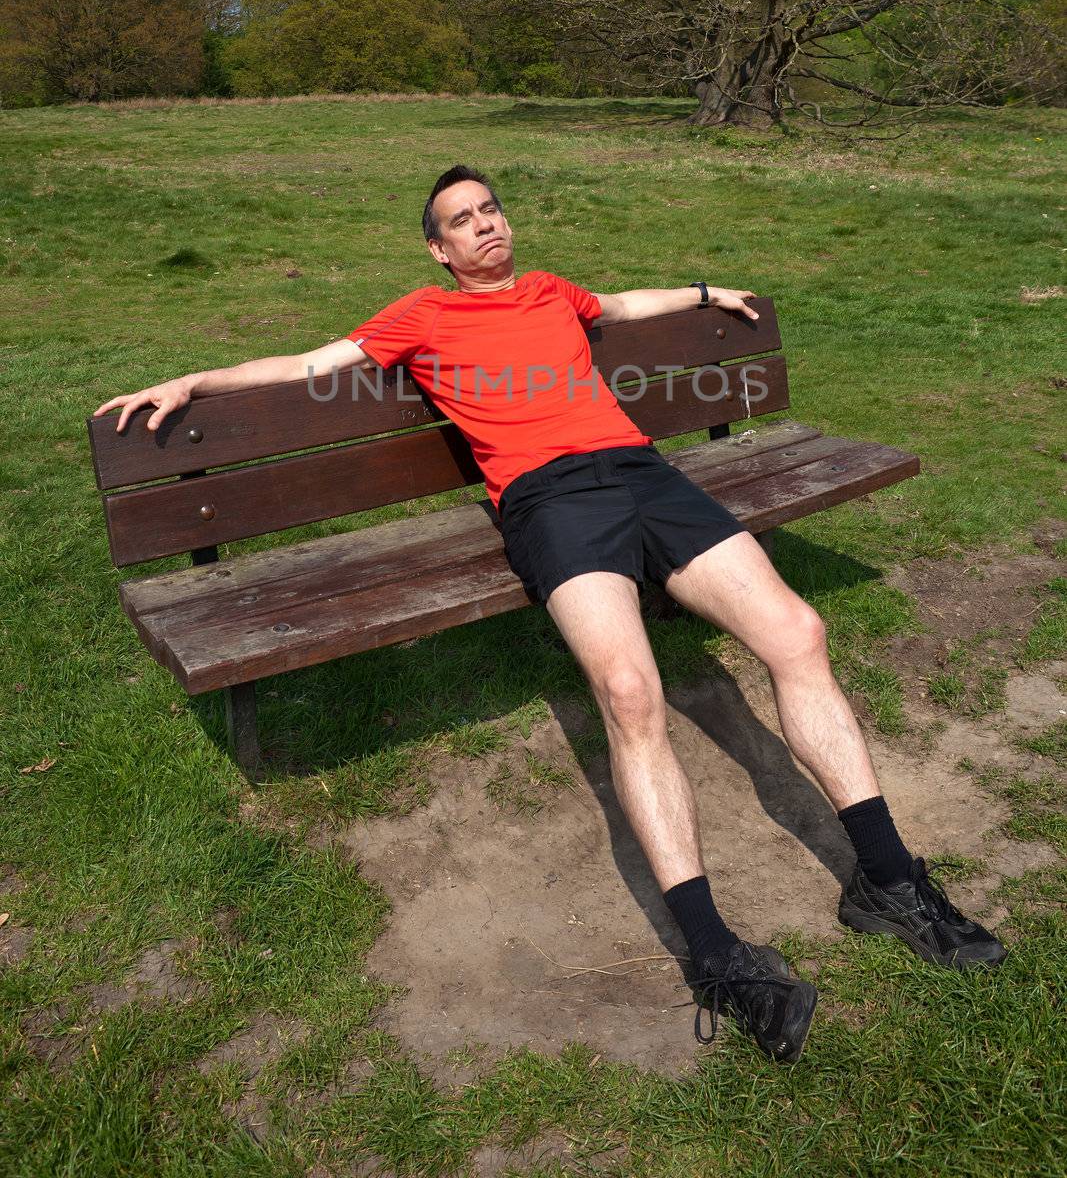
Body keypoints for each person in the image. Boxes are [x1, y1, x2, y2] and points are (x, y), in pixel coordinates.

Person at [94, 163, 1005, 1062]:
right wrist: (196, 381)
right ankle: (716, 956)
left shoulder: (549, 292)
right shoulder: (420, 314)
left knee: (798, 634)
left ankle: (888, 881)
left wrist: (702, 289)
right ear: (438, 248)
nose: (485, 224)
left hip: (644, 474)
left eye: (491, 209)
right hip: (550, 501)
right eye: (463, 219)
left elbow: (618, 303)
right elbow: (305, 364)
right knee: (629, 691)